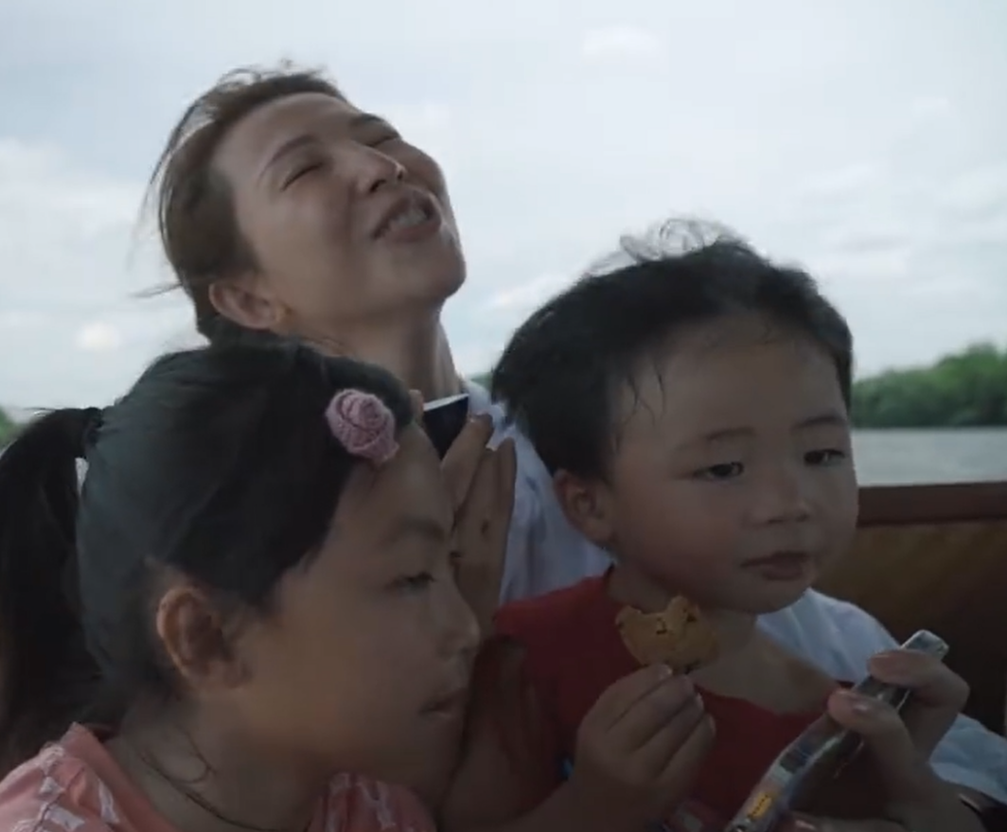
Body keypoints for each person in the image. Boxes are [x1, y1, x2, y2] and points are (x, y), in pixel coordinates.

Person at [146, 64, 1007, 808]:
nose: (381, 166)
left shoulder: (608, 439)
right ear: (249, 299)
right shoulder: (249, 522)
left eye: (383, 138)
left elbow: (816, 645)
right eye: (304, 170)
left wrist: (949, 800)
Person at [438, 229, 984, 832]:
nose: (789, 502)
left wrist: (917, 792)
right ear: (590, 504)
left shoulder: (835, 711)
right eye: (724, 468)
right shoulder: (529, 662)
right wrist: (593, 808)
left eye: (822, 454)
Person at [0, 339, 514, 832]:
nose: (467, 627)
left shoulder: (379, 813)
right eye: (413, 577)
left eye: (451, 562)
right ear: (207, 638)